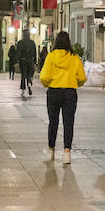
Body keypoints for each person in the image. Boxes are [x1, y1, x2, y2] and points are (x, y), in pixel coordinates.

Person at [39, 30, 87, 164]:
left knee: (53, 121)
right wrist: (75, 83)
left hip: (54, 92)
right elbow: (82, 77)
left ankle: (51, 150)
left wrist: (48, 84)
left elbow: (43, 76)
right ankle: (67, 153)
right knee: (68, 122)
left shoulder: (51, 56)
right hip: (70, 92)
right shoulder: (75, 58)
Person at [16, 31, 38, 97]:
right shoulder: (32, 42)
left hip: (23, 60)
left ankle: (23, 91)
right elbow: (35, 52)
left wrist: (16, 60)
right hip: (30, 60)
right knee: (29, 75)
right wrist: (35, 62)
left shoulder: (20, 42)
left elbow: (18, 52)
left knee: (23, 75)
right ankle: (29, 84)